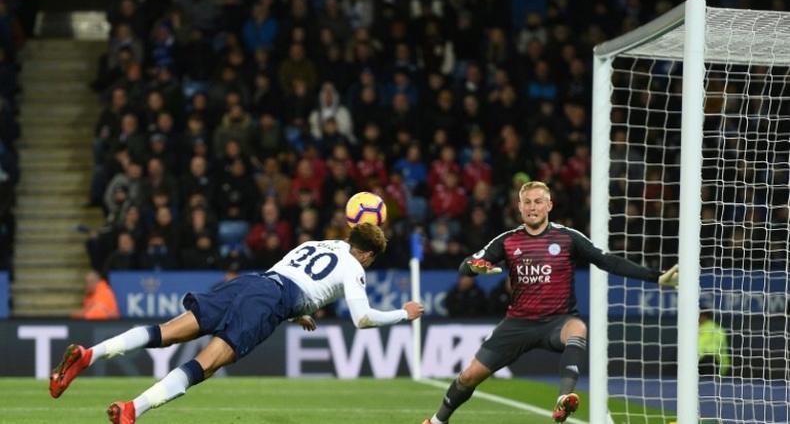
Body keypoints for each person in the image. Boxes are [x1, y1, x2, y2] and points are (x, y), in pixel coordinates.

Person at [50, 224, 424, 423]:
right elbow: (361, 318)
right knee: (207, 364)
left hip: (251, 282)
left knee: (165, 332)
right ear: (368, 253)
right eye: (372, 259)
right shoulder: (355, 266)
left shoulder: (320, 243)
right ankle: (134, 410)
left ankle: (88, 355)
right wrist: (401, 314)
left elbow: (289, 276)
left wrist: (298, 311)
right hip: (268, 303)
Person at [422, 181, 679, 424]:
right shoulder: (508, 240)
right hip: (517, 324)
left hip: (558, 321)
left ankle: (563, 399)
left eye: (538, 201)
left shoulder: (568, 238)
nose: (532, 207)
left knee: (578, 328)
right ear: (519, 207)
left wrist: (655, 277)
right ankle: (437, 420)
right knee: (468, 377)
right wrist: (475, 269)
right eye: (527, 202)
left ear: (549, 206)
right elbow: (466, 266)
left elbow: (608, 261)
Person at [698, 309, 730, 377]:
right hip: (698, 360)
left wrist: (700, 354)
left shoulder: (716, 329)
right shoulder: (693, 328)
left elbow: (717, 348)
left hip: (715, 361)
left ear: (704, 316)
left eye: (699, 315)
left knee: (709, 358)